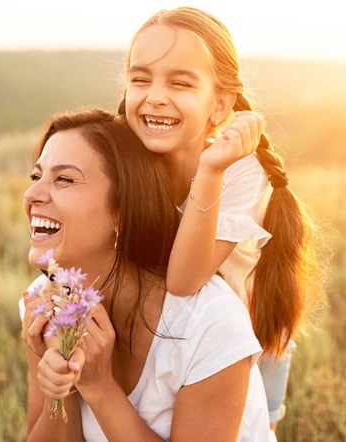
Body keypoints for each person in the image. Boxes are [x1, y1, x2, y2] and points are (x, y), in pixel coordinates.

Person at [117, 6, 323, 430]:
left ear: (220, 105)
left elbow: (184, 280)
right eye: (141, 79)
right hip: (167, 346)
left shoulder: (241, 171)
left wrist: (210, 171)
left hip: (243, 345)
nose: (155, 95)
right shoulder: (127, 161)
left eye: (180, 83)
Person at [21, 108, 275, 441]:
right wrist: (61, 381)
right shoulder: (46, 302)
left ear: (122, 210)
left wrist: (99, 388)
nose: (32, 195)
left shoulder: (210, 322)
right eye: (36, 177)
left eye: (64, 179)